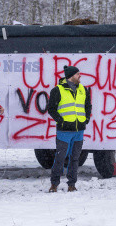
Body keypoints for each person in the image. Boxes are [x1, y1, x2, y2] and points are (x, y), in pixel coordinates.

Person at [47, 65, 91, 193]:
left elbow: (88, 106)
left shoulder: (83, 89)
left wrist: (86, 119)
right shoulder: (57, 90)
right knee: (60, 158)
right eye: (78, 74)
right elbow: (51, 109)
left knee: (75, 158)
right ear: (71, 76)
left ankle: (72, 184)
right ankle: (54, 184)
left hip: (79, 130)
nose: (80, 76)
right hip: (64, 131)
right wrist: (61, 121)